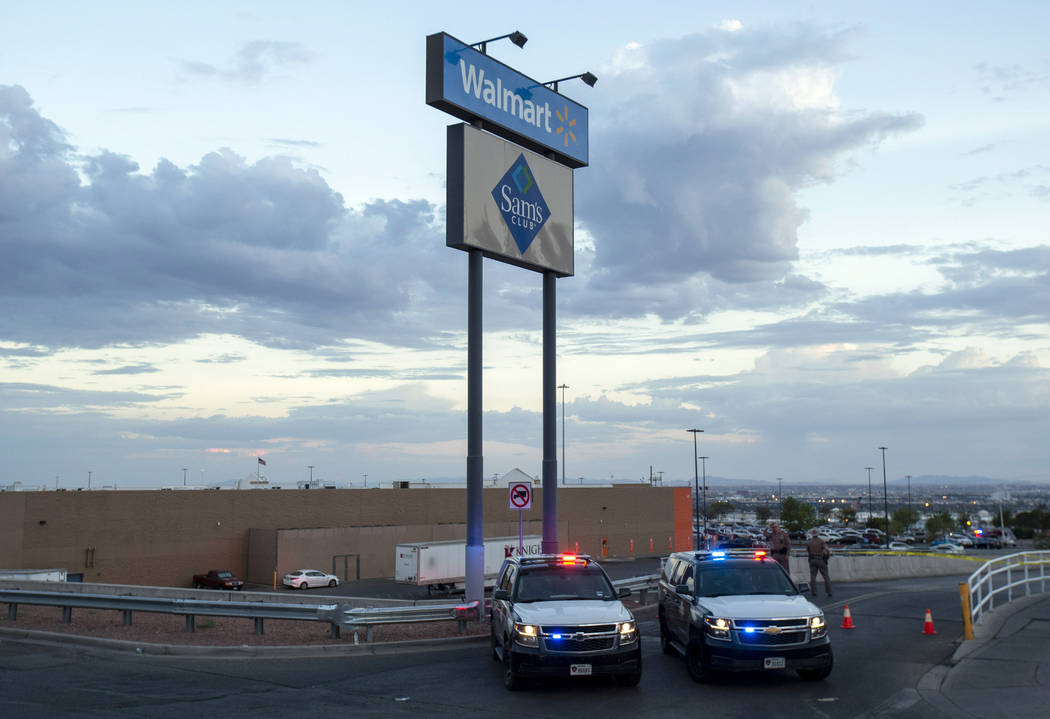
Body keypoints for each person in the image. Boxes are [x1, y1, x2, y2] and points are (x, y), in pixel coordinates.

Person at [805, 529, 832, 597]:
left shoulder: (809, 542)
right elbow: (827, 550)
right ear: (818, 534)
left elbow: (807, 550)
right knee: (826, 576)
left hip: (812, 560)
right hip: (820, 560)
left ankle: (814, 591)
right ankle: (829, 592)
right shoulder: (821, 541)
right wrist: (827, 557)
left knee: (813, 577)